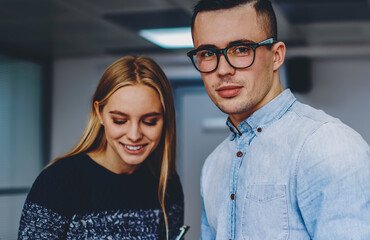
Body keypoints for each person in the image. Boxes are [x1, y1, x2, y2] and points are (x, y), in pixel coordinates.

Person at [187, 0, 370, 239]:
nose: (223, 70)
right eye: (208, 53)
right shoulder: (214, 164)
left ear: (276, 56)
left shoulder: (328, 145)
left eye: (241, 49)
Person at [18, 56, 184, 240]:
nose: (134, 135)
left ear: (166, 118)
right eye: (120, 121)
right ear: (99, 113)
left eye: (150, 122)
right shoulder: (58, 182)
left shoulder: (166, 182)